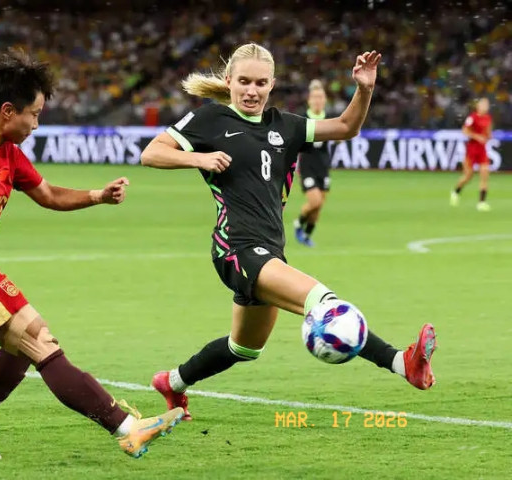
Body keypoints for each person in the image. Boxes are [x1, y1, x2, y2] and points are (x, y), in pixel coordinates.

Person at [0, 49, 183, 460]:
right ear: (8, 111)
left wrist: (98, 195)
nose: (37, 124)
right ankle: (127, 429)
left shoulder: (6, 150)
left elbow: (48, 194)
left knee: (27, 337)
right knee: (38, 342)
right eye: (34, 114)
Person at [139, 43, 437, 422]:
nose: (251, 90)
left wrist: (364, 88)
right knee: (324, 303)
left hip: (270, 251)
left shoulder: (287, 126)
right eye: (244, 81)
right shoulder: (210, 118)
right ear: (229, 81)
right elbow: (151, 153)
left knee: (244, 348)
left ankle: (172, 382)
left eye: (260, 83)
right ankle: (402, 362)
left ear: (272, 84)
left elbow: (346, 127)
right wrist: (198, 157)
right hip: (236, 249)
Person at [293, 79, 332, 247]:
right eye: (315, 97)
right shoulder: (303, 118)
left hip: (323, 166)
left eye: (320, 97)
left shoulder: (329, 119)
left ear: (325, 100)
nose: (317, 100)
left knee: (319, 205)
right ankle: (298, 223)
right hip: (307, 166)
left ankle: (307, 234)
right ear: (309, 100)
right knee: (314, 201)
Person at [450, 98, 493, 211]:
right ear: (478, 106)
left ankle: (481, 202)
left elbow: (488, 132)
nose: (485, 107)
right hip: (472, 149)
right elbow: (465, 130)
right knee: (468, 176)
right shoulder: (472, 117)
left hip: (482, 150)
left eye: (486, 105)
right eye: (483, 104)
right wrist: (477, 137)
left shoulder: (488, 118)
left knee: (484, 174)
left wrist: (488, 136)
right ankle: (456, 191)